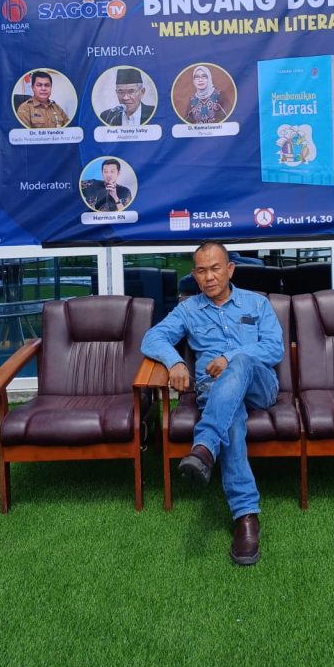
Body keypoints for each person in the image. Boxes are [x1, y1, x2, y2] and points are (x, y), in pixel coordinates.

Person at [141, 242, 283, 566]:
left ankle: (204, 445)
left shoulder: (257, 303)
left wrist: (230, 357)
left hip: (260, 386)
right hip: (215, 392)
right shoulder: (188, 310)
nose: (209, 277)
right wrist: (175, 362)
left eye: (216, 268)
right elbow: (152, 338)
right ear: (194, 275)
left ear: (230, 269)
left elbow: (274, 348)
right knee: (230, 416)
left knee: (242, 361)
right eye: (202, 271)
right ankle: (246, 517)